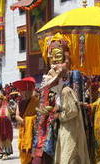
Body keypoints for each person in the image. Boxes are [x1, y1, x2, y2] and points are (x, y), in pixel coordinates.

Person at [39, 33, 90, 164]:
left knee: (70, 153)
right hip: (55, 123)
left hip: (70, 123)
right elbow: (46, 100)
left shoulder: (74, 75)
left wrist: (57, 113)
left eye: (58, 56)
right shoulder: (50, 77)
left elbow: (74, 106)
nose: (54, 60)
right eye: (51, 57)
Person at [13, 77, 39, 164]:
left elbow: (39, 114)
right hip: (24, 129)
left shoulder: (36, 101)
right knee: (24, 150)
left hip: (34, 130)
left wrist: (31, 120)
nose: (22, 93)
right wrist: (24, 121)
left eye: (25, 91)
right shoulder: (19, 102)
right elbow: (16, 115)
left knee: (33, 151)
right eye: (21, 91)